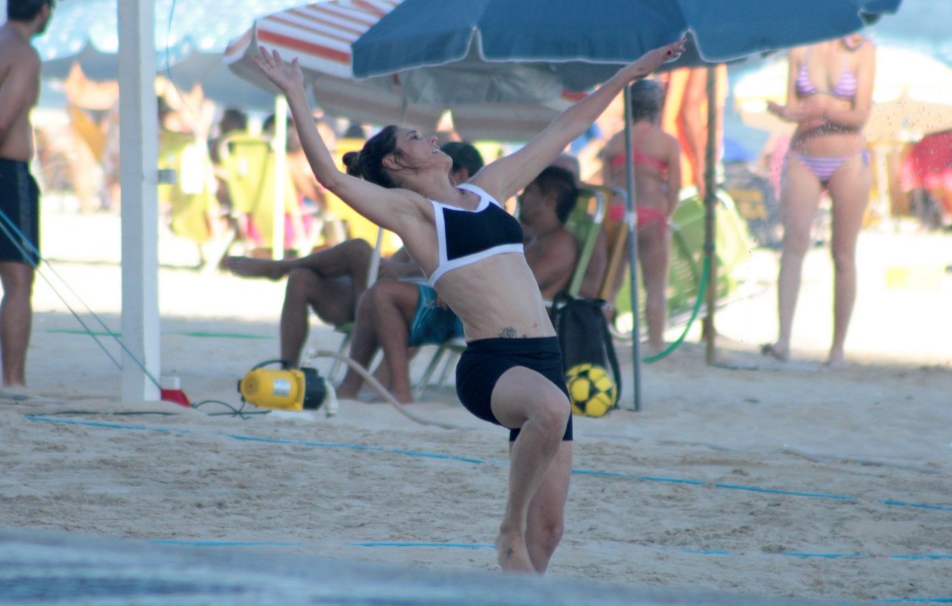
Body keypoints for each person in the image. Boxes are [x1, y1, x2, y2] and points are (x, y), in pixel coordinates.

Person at [252, 36, 686, 574]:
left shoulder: (487, 190)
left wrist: (630, 72)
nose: (430, 136)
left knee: (547, 535)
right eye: (416, 137)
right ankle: (508, 520)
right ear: (396, 161)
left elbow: (566, 128)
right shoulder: (414, 217)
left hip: (545, 357)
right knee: (551, 414)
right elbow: (331, 177)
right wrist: (296, 93)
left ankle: (517, 561)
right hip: (493, 365)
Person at [224, 141, 485, 368]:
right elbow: (409, 257)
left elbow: (467, 267)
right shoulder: (433, 209)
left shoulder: (475, 216)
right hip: (380, 289)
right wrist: (394, 268)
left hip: (409, 301)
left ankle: (280, 268)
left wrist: (401, 271)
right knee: (302, 279)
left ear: (461, 174)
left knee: (358, 249)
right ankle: (287, 372)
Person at [338, 165, 582, 404]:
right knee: (374, 292)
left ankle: (398, 389)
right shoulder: (528, 236)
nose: (522, 198)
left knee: (383, 293)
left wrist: (460, 280)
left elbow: (514, 288)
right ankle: (353, 385)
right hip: (473, 310)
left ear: (550, 200)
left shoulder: (558, 245)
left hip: (493, 323)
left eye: (529, 193)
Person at [763, 33, 876, 366]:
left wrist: (825, 108)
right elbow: (796, 108)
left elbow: (860, 115)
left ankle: (837, 348)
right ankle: (783, 340)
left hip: (848, 157)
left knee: (842, 254)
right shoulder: (800, 47)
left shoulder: (863, 51)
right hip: (803, 153)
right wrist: (784, 111)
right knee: (793, 244)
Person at [0, 0, 62, 392]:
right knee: (19, 280)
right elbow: (4, 118)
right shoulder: (24, 54)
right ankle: (14, 382)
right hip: (8, 174)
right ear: (43, 10)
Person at [598, 79, 681, 353]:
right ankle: (656, 344)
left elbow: (608, 188)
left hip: (619, 214)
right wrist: (664, 216)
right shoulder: (667, 143)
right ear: (658, 106)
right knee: (655, 286)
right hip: (652, 214)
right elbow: (675, 191)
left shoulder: (614, 141)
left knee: (611, 284)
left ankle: (603, 341)